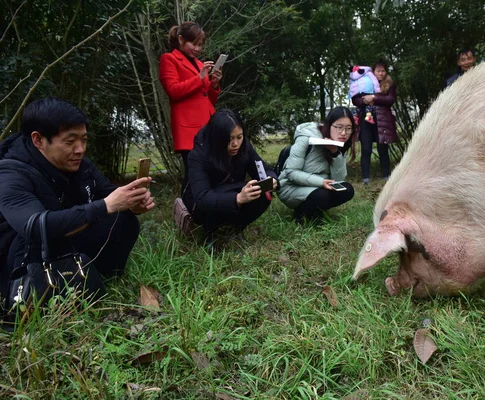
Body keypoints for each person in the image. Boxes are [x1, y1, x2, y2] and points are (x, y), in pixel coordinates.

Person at [0, 97, 155, 298]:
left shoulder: (79, 164)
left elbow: (108, 193)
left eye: (84, 140)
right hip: (20, 257)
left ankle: (96, 280)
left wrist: (132, 202)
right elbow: (35, 227)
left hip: (62, 240)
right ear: (38, 140)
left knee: (123, 220)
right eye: (70, 142)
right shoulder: (9, 173)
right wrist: (106, 205)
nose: (80, 149)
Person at [182, 109, 277, 242]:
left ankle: (235, 229)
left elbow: (264, 169)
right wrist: (237, 198)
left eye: (239, 137)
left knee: (260, 193)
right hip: (201, 205)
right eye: (229, 139)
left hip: (232, 190)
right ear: (217, 138)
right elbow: (202, 198)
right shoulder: (198, 155)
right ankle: (212, 233)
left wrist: (271, 179)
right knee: (218, 201)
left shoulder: (243, 146)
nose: (235, 144)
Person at [159, 22, 223, 190]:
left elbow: (207, 98)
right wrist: (200, 78)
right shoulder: (169, 59)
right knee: (193, 175)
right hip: (188, 129)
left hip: (207, 125)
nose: (197, 48)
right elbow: (173, 91)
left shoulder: (201, 65)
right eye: (193, 43)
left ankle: (206, 208)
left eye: (200, 45)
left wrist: (214, 84)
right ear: (180, 39)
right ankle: (185, 211)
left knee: (210, 173)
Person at [278, 106, 355, 222]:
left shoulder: (339, 143)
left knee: (347, 189)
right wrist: (321, 182)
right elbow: (291, 172)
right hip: (291, 186)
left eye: (349, 128)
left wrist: (335, 153)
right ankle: (300, 215)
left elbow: (339, 179)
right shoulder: (306, 137)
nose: (344, 133)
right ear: (329, 125)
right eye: (339, 127)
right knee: (321, 196)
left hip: (318, 186)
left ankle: (315, 210)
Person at [351, 59, 398, 184]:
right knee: (366, 148)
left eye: (383, 71)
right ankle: (365, 178)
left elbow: (391, 99)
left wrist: (374, 97)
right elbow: (355, 99)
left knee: (383, 148)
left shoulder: (389, 84)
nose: (381, 73)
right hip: (365, 119)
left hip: (382, 119)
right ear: (373, 71)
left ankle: (386, 176)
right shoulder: (364, 81)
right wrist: (363, 101)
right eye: (378, 71)